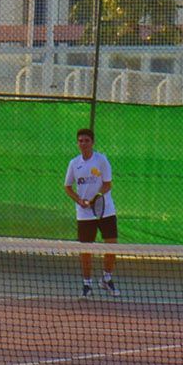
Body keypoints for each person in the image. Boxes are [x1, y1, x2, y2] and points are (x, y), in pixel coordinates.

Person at [65, 126, 118, 298]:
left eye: (87, 140)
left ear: (92, 142)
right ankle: (87, 284)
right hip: (84, 214)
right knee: (86, 250)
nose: (83, 143)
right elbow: (68, 187)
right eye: (80, 141)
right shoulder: (74, 163)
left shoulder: (101, 160)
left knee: (111, 245)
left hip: (105, 211)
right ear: (77, 143)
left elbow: (108, 184)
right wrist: (79, 200)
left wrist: (96, 199)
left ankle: (107, 279)